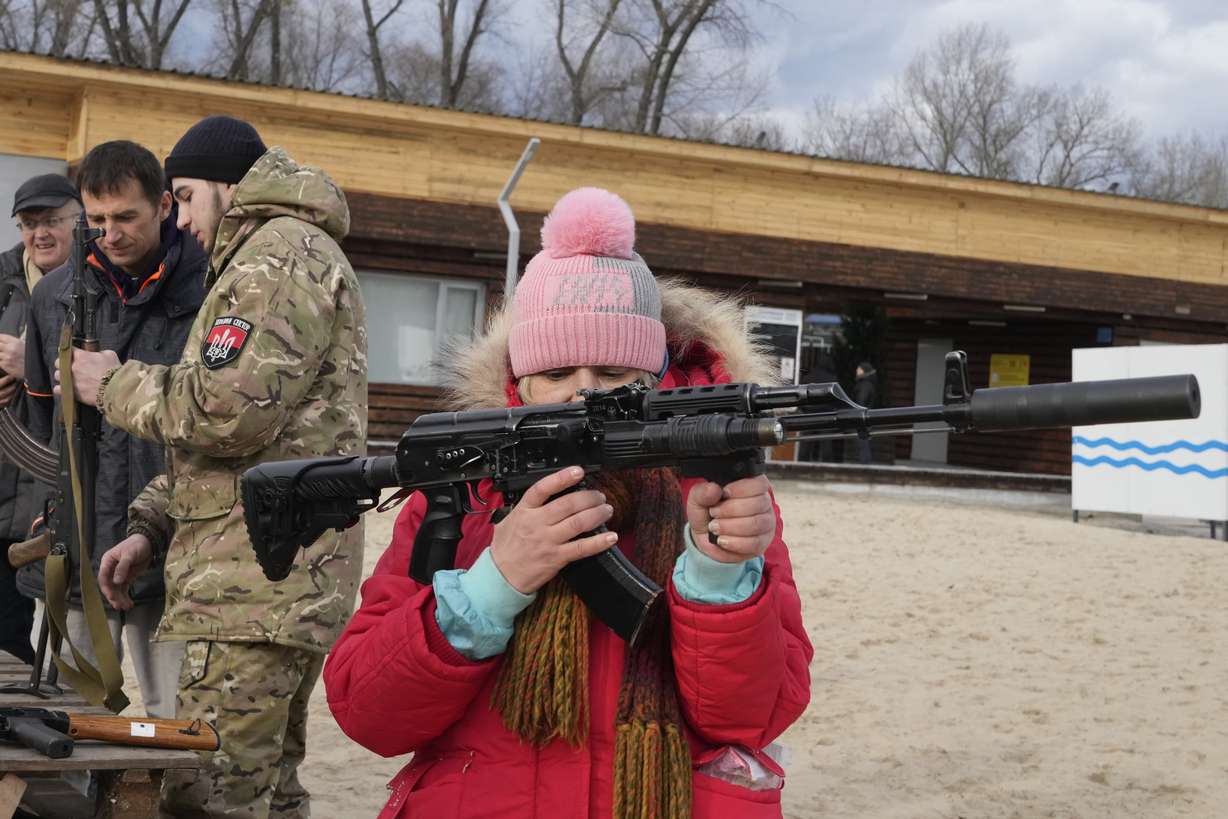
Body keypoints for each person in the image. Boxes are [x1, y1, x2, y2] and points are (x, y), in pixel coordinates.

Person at [324, 188, 813, 819]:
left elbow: (749, 716)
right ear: (520, 381)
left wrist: (719, 576)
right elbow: (370, 714)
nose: (583, 392)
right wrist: (494, 582)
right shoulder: (463, 495)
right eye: (556, 374)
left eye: (611, 371)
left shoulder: (716, 493)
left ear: (655, 374)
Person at [65, 115, 367, 819]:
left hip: (254, 591)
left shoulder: (275, 257)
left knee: (207, 798)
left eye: (187, 196)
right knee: (267, 793)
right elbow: (267, 446)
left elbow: (227, 413)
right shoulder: (276, 253)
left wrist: (111, 383)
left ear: (231, 186)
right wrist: (152, 522)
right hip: (263, 579)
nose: (183, 218)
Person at [17, 145, 206, 714]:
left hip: (171, 553)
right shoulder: (53, 296)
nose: (111, 234)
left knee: (172, 726)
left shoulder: (211, 291)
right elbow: (37, 426)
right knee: (65, 725)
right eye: (97, 220)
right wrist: (46, 523)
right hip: (73, 547)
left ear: (165, 204)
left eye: (126, 217)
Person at [0, 173, 80, 664]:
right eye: (30, 223)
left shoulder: (96, 284)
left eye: (52, 220)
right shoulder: (3, 280)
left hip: (59, 488)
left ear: (78, 220)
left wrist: (27, 361)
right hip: (4, 489)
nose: (40, 233)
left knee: (59, 647)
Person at [853, 361, 878, 465]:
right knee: (864, 444)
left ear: (864, 371)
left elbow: (861, 402)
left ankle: (865, 468)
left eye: (859, 369)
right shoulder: (866, 384)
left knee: (863, 444)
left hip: (862, 419)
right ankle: (865, 466)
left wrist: (856, 414)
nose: (856, 370)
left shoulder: (865, 385)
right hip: (865, 419)